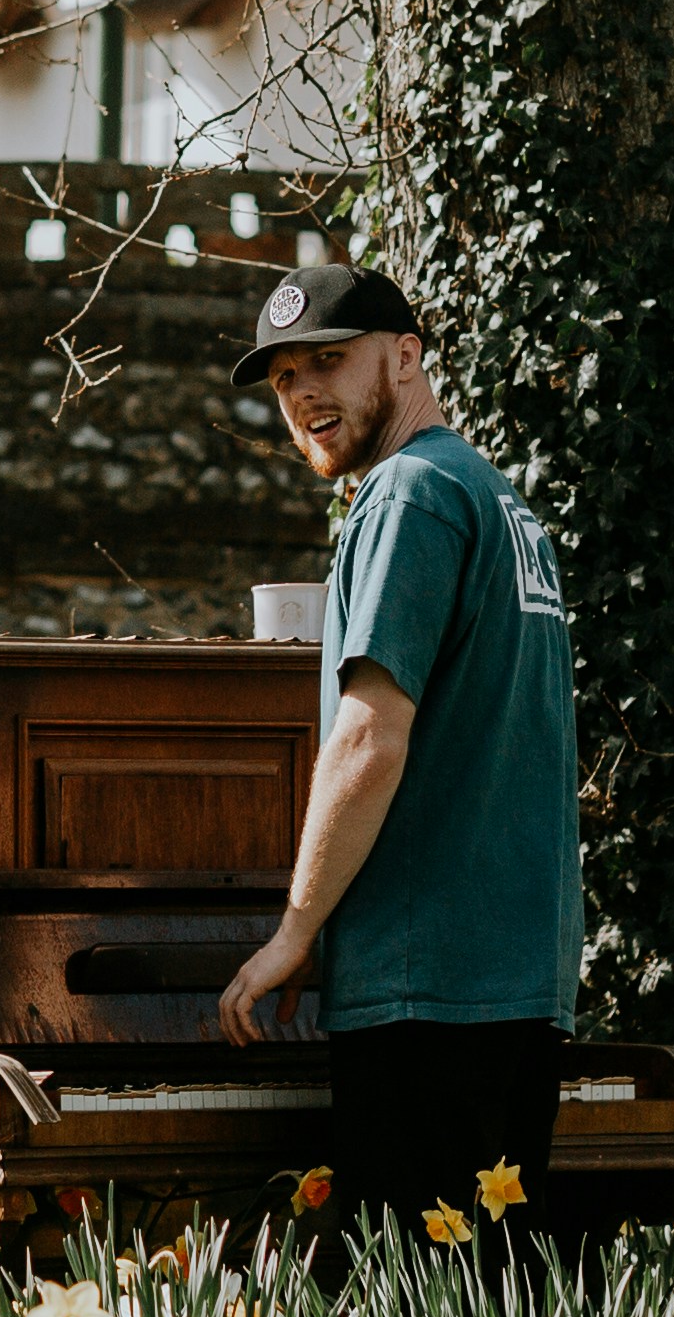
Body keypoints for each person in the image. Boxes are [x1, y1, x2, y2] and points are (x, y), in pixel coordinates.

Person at [210, 259, 584, 1237]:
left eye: (329, 362)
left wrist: (296, 933)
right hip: (512, 982)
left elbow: (370, 739)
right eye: (285, 378)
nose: (304, 396)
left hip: (427, 993)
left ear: (406, 355)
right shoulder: (500, 503)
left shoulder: (408, 496)